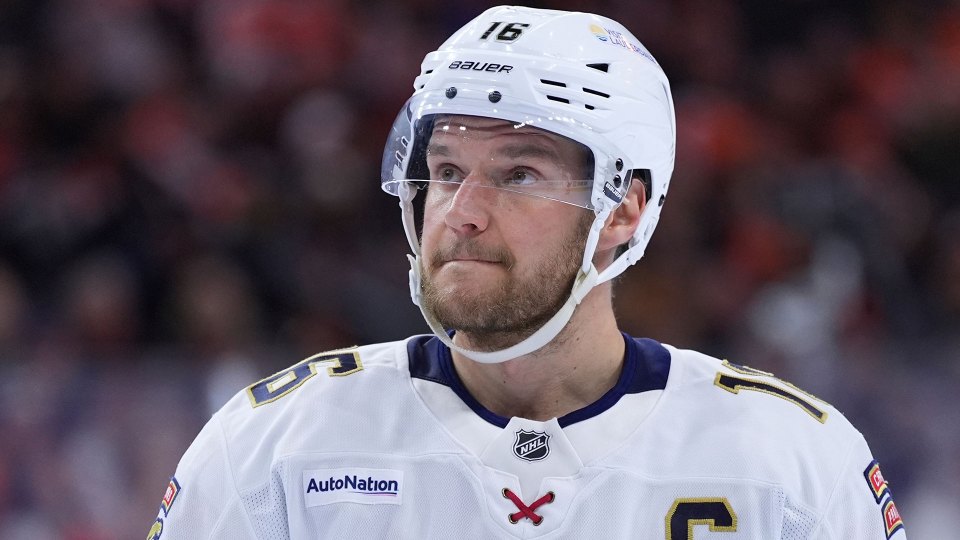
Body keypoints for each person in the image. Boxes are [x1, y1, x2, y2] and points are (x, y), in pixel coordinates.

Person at [148, 6, 906, 539]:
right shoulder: (275, 445)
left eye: (517, 176)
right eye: (446, 171)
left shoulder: (793, 460)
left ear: (622, 210)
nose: (462, 212)